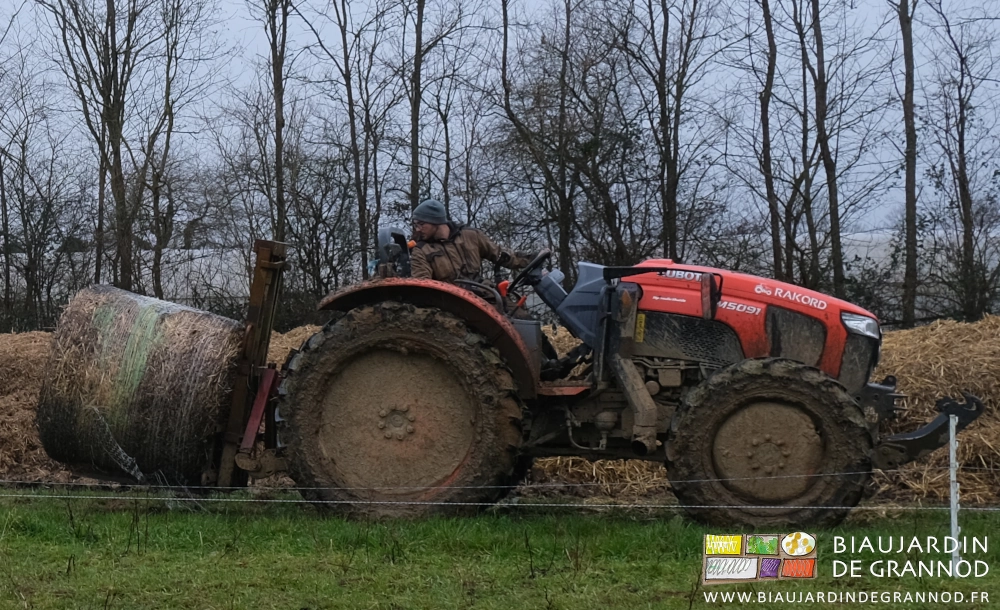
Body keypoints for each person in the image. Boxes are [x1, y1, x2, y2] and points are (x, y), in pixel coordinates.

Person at [409, 198, 532, 283]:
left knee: (520, 317)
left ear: (435, 221)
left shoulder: (471, 236)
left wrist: (531, 261)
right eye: (416, 225)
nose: (418, 229)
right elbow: (423, 285)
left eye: (421, 224)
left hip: (482, 294)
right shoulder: (421, 251)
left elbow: (501, 255)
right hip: (450, 303)